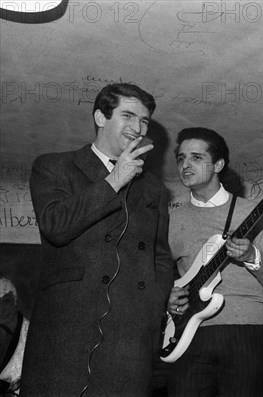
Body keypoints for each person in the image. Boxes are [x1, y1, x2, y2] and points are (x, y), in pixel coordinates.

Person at [22, 83, 174, 396]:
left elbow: (159, 256)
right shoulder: (54, 166)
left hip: (130, 331)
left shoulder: (154, 188)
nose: (137, 128)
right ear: (100, 118)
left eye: (144, 121)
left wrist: (152, 304)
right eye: (128, 116)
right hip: (67, 326)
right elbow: (56, 226)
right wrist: (115, 179)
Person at [166, 127, 263, 396]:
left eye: (196, 158)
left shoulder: (253, 213)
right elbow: (155, 273)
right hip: (187, 334)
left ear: (218, 164)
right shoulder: (171, 221)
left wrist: (252, 256)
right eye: (181, 158)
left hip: (244, 329)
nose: (186, 164)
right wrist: (166, 295)